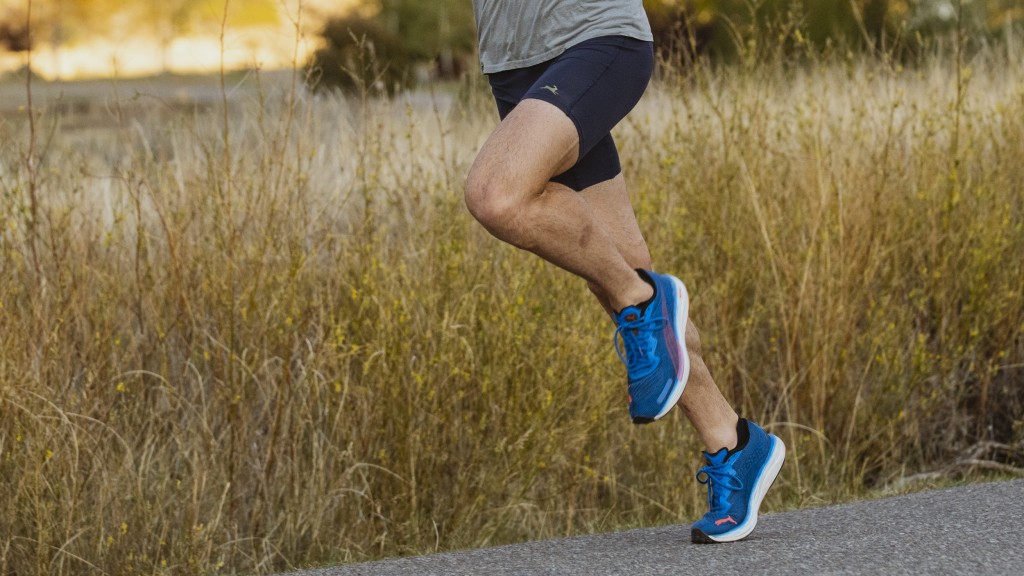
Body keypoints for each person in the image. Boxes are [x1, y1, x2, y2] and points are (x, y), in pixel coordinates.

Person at [464, 0, 785, 544]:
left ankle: (642, 300)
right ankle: (732, 443)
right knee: (615, 261)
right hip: (512, 59)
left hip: (592, 33)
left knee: (497, 196)